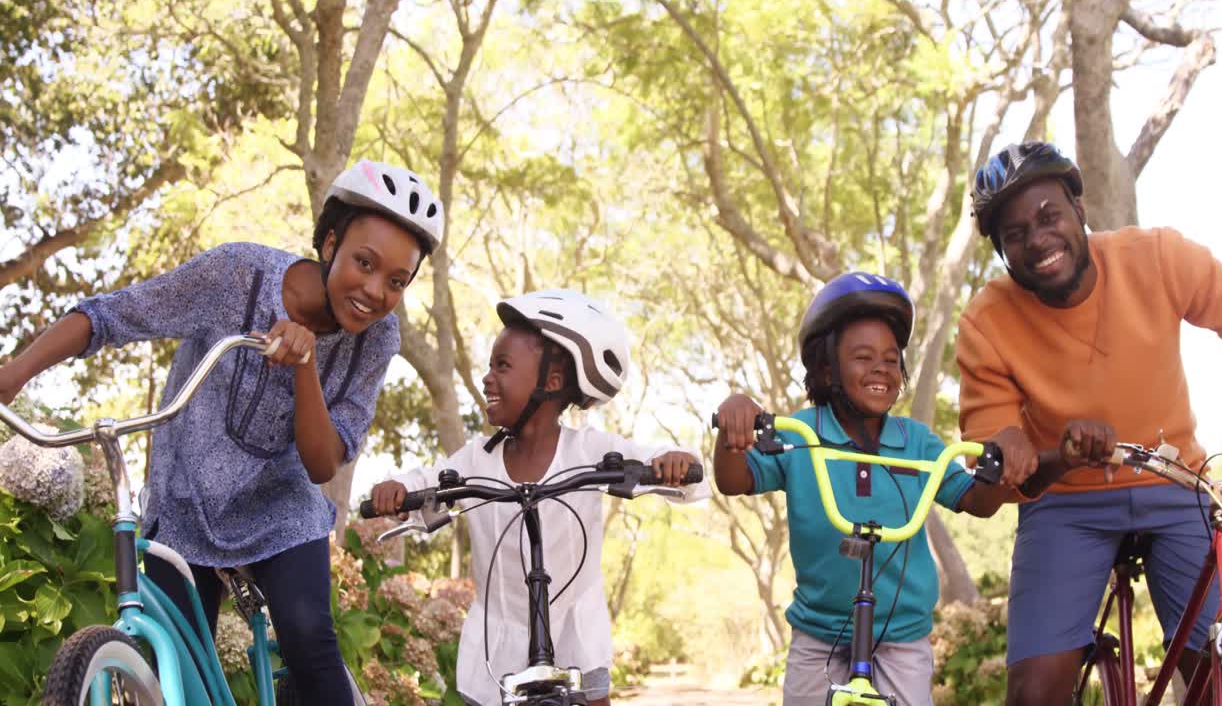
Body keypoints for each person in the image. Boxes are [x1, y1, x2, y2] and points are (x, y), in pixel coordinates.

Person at [0, 159, 442, 704]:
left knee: (308, 641)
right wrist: (14, 374)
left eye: (396, 281)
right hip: (186, 497)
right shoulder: (237, 274)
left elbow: (323, 463)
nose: (375, 292)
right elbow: (113, 316)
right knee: (175, 671)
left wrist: (305, 364)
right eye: (364, 263)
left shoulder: (378, 339)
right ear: (329, 244)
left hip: (282, 507)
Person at [957, 141, 1222, 705]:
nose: (1037, 240)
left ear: (1078, 209)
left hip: (1176, 485)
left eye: (1048, 216)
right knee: (1034, 694)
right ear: (1003, 250)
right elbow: (999, 448)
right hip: (1065, 505)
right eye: (1015, 234)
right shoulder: (987, 319)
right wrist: (1036, 450)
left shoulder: (1156, 257)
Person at [368, 288, 709, 706]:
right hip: (496, 642)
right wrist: (398, 489)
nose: (487, 377)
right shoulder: (478, 458)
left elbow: (660, 464)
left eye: (503, 366)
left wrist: (674, 463)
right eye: (491, 365)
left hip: (576, 636)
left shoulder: (588, 451)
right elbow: (429, 479)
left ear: (551, 382)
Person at [714, 272, 1028, 706]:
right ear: (826, 369)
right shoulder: (802, 434)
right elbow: (733, 480)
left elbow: (975, 501)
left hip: (900, 634)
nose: (882, 366)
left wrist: (997, 471)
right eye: (863, 357)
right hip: (819, 630)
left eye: (891, 358)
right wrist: (733, 425)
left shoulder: (916, 442)